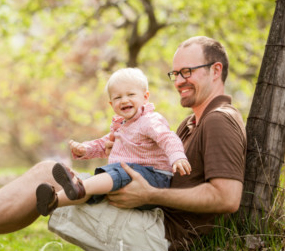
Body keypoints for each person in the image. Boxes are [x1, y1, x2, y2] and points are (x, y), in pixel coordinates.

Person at [0, 36, 246, 251]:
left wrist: (150, 194)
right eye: (176, 73)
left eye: (188, 72)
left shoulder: (219, 121)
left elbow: (227, 198)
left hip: (160, 243)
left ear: (215, 70)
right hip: (153, 222)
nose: (180, 81)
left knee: (48, 176)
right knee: (48, 183)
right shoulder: (192, 122)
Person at [35, 67, 191, 217]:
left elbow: (167, 137)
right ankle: (54, 201)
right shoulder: (121, 125)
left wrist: (177, 156)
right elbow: (104, 144)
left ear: (145, 97)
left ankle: (79, 186)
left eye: (131, 94)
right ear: (111, 104)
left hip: (154, 179)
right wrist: (85, 149)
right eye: (118, 97)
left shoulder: (149, 120)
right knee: (94, 186)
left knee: (115, 171)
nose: (124, 100)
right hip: (127, 175)